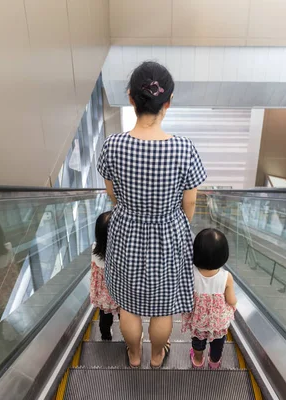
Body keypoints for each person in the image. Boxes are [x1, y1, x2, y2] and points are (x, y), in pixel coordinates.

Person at [97, 61, 207, 368]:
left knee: (128, 306)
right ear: (168, 102)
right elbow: (190, 203)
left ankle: (134, 355)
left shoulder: (113, 145)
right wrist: (176, 224)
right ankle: (157, 356)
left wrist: (133, 209)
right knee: (162, 309)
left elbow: (112, 193)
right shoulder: (185, 149)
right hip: (168, 233)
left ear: (131, 98)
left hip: (125, 231)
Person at [181, 229, 237, 369]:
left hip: (198, 320)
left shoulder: (190, 274)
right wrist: (233, 302)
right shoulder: (226, 277)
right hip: (217, 322)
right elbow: (231, 300)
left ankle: (198, 361)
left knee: (198, 342)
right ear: (224, 255)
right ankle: (214, 361)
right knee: (218, 343)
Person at [89, 211, 119, 340]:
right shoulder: (122, 254)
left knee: (105, 317)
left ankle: (105, 335)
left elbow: (96, 273)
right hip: (122, 294)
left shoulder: (95, 249)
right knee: (126, 317)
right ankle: (130, 340)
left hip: (104, 295)